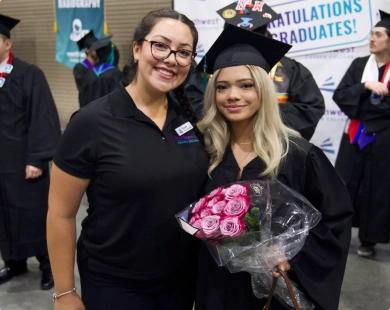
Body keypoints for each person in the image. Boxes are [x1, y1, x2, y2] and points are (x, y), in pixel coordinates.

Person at [47, 8, 208, 310]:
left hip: (179, 278)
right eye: (160, 45)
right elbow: (60, 214)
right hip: (116, 282)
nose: (171, 59)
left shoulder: (188, 119)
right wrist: (65, 292)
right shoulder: (91, 122)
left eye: (183, 52)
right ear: (136, 48)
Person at [195, 25, 354, 310]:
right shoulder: (207, 151)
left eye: (246, 85)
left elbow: (335, 220)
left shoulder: (297, 155)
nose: (233, 95)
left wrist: (292, 254)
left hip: (271, 287)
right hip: (216, 286)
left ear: (264, 90)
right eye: (222, 86)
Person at [186, 1, 325, 140]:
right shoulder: (211, 67)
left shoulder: (290, 69)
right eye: (222, 87)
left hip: (275, 145)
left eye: (254, 36)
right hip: (220, 143)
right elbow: (191, 102)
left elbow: (310, 108)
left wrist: (258, 113)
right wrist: (226, 116)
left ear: (265, 34)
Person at [0, 14, 61, 290]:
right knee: (5, 217)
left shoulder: (29, 74)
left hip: (25, 162)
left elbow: (43, 116)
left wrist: (37, 158)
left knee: (35, 214)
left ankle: (49, 266)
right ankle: (14, 262)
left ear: (7, 43)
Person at [333, 10, 390, 257]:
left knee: (377, 188)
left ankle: (369, 239)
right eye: (371, 34)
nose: (372, 38)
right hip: (356, 133)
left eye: (378, 34)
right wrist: (364, 86)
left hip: (385, 138)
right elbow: (341, 94)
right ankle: (338, 233)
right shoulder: (359, 66)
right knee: (345, 183)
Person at [78, 35, 123, 107]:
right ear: (113, 56)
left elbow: (83, 99)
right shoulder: (115, 74)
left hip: (91, 116)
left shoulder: (89, 74)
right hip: (108, 116)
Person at [73, 30, 99, 107]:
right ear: (87, 50)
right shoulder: (79, 68)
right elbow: (84, 88)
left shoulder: (101, 66)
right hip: (87, 106)